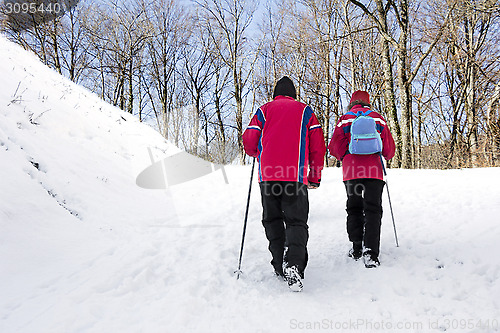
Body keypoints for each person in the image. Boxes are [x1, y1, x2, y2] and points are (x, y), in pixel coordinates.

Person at [242, 76, 326, 291]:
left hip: (268, 175)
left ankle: (280, 264)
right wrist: (314, 176)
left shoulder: (264, 110)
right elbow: (317, 147)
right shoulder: (305, 111)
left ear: (275, 93)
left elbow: (250, 138)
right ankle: (294, 264)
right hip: (295, 176)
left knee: (272, 219)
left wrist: (254, 152)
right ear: (294, 93)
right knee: (296, 221)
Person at [328, 90, 395, 268]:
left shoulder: (345, 119)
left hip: (351, 172)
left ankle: (357, 246)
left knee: (354, 207)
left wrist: (346, 155)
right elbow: (389, 150)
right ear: (368, 102)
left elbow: (334, 147)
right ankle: (371, 253)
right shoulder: (378, 118)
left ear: (352, 102)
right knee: (373, 210)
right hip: (375, 171)